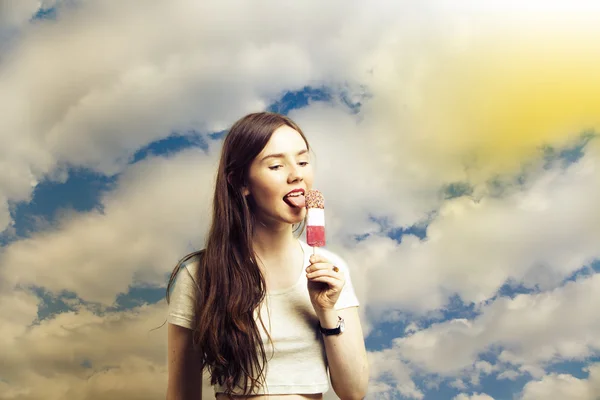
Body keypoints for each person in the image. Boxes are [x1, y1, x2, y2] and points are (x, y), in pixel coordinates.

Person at [165, 112, 369, 399]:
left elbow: (354, 391)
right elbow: (181, 393)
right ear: (240, 183)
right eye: (276, 165)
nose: (296, 174)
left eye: (302, 161)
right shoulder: (199, 274)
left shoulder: (332, 270)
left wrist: (326, 311)